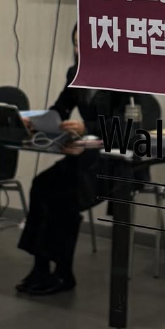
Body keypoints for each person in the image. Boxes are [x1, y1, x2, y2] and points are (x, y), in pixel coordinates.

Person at [16, 26, 127, 296]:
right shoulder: (75, 74)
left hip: (114, 161)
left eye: (85, 43)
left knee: (63, 195)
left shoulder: (123, 76)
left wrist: (87, 126)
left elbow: (128, 127)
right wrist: (38, 121)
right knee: (42, 184)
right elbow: (60, 109)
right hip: (84, 155)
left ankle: (63, 271)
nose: (80, 50)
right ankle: (41, 266)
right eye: (76, 44)